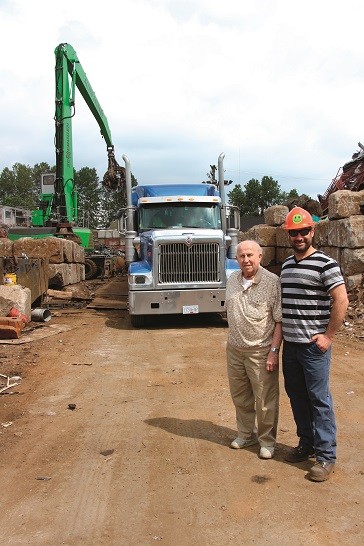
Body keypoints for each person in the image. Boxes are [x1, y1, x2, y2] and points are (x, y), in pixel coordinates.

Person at [281, 207, 348, 482]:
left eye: (303, 231)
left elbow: (341, 300)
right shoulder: (286, 265)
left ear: (312, 231)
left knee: (319, 401)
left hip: (313, 348)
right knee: (297, 397)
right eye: (293, 232)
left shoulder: (326, 264)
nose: (299, 237)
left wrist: (328, 336)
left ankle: (325, 456)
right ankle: (306, 444)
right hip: (291, 346)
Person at [226, 240, 282, 459]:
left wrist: (274, 351)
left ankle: (267, 441)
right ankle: (246, 434)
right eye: (241, 256)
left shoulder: (272, 282)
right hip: (235, 350)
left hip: (261, 351)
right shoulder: (232, 280)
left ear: (260, 256)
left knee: (265, 400)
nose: (246, 260)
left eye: (250, 255)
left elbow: (279, 320)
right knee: (240, 396)